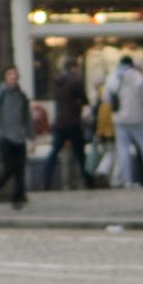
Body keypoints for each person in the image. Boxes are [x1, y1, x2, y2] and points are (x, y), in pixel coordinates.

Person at [106, 56, 143, 187]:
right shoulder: (138, 77)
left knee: (123, 150)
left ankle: (127, 180)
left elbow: (107, 100)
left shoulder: (111, 77)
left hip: (119, 119)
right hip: (138, 118)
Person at [0, 64, 31, 209]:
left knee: (20, 167)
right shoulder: (0, 94)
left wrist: (29, 135)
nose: (13, 77)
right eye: (9, 74)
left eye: (15, 74)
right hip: (6, 136)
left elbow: (26, 116)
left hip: (19, 135)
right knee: (10, 167)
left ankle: (18, 197)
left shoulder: (21, 95)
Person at [46, 56, 89, 189]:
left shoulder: (56, 81)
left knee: (54, 153)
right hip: (73, 121)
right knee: (80, 155)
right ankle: (86, 181)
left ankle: (46, 181)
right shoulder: (75, 81)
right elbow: (85, 100)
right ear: (74, 68)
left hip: (59, 122)